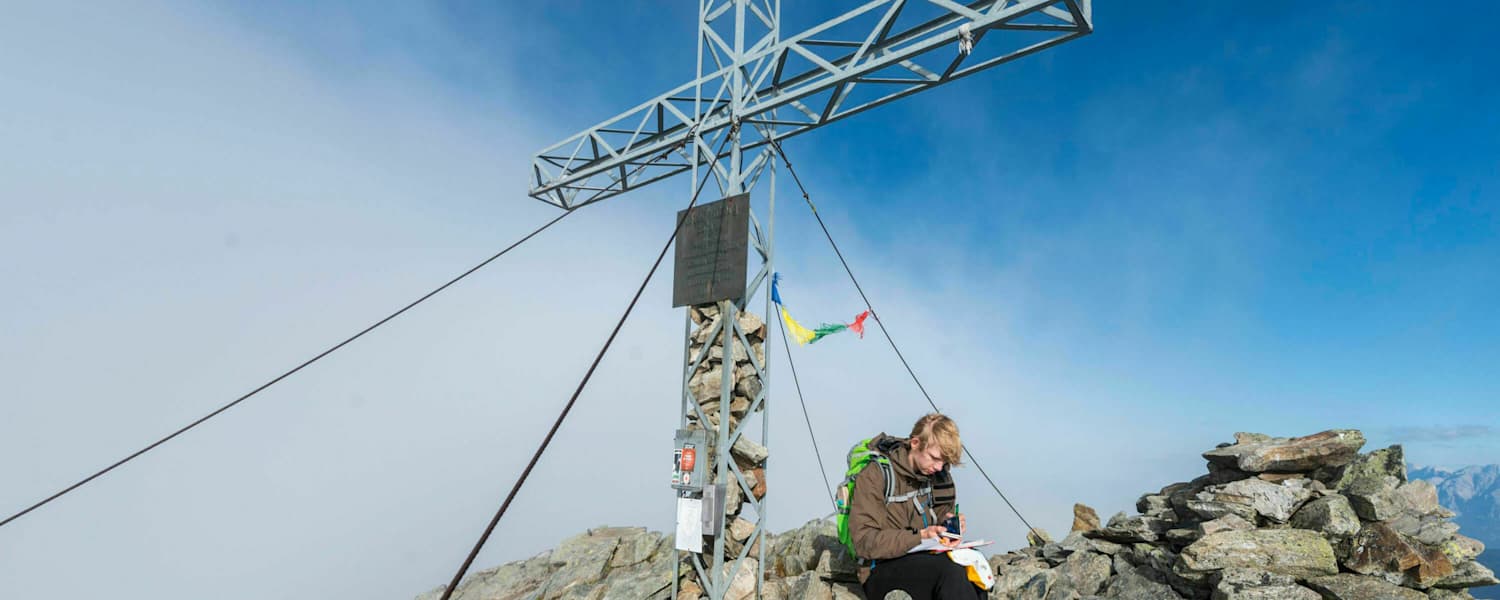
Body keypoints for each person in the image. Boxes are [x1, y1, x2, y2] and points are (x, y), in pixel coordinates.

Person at [849, 413, 981, 600]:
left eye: (944, 462)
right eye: (934, 458)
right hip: (879, 568)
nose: (938, 467)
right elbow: (864, 542)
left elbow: (942, 511)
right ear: (915, 443)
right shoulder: (876, 475)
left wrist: (949, 524)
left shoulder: (938, 476)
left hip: (925, 555)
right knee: (950, 574)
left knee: (974, 567)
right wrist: (919, 537)